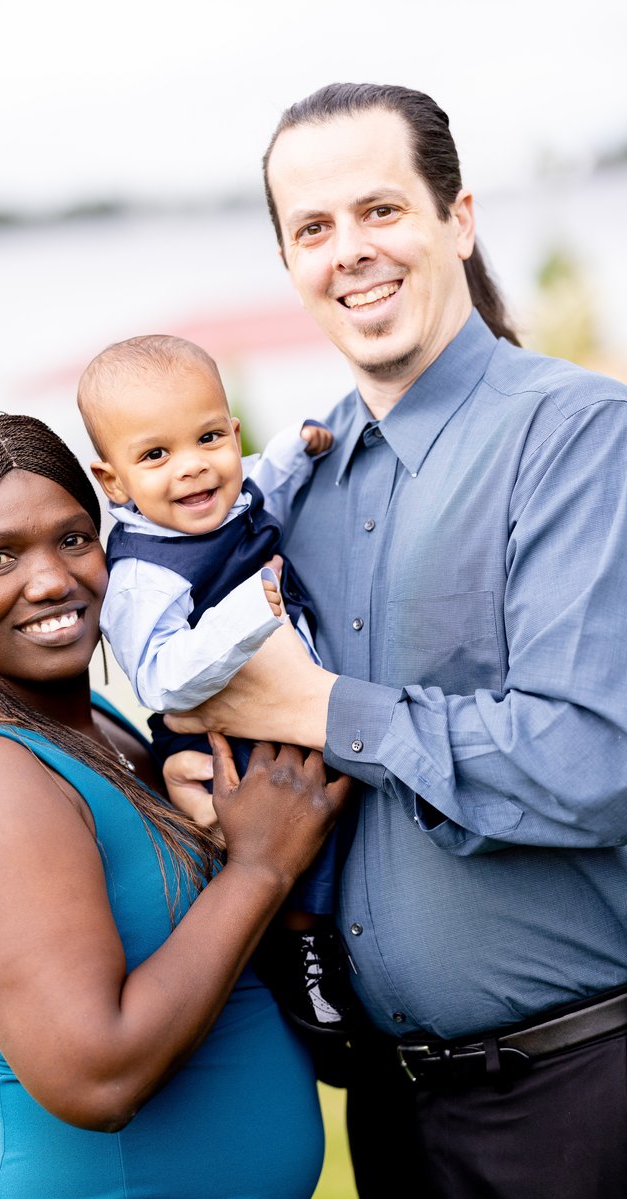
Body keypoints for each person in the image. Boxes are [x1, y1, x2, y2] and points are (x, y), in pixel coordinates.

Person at [164, 82, 627, 1198]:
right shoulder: (293, 489)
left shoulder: (575, 438)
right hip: (389, 1111)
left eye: (380, 211)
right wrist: (195, 773)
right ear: (287, 263)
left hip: (577, 1099)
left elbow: (591, 762)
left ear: (456, 220)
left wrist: (309, 707)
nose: (349, 252)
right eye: (313, 229)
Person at [0, 411, 349, 1199]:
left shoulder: (102, 732)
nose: (53, 578)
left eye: (74, 538)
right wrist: (259, 867)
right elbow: (98, 1076)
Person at [76, 333, 356, 1042]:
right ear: (114, 482)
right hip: (222, 727)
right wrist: (244, 615)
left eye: (208, 438)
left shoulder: (228, 491)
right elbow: (161, 674)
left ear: (232, 433)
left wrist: (301, 443)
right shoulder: (144, 573)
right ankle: (303, 951)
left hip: (289, 695)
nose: (193, 468)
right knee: (293, 822)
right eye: (156, 455)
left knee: (345, 804)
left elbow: (269, 480)